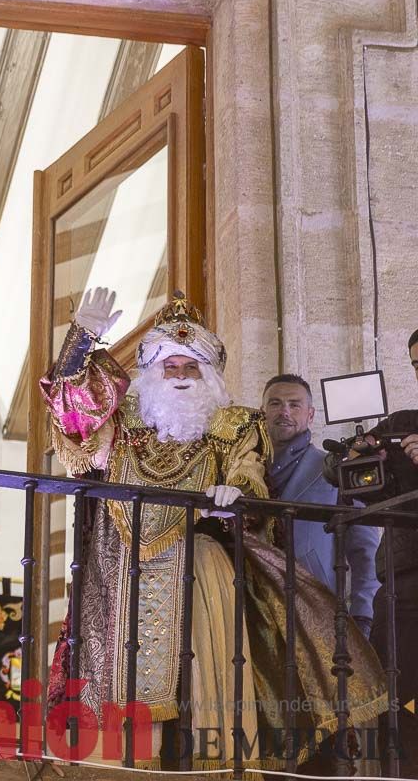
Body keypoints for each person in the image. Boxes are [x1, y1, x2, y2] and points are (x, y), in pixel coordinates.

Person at [41, 289, 386, 768]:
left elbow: (248, 472)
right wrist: (80, 344)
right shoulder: (121, 420)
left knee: (205, 680)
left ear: (209, 375)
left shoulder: (234, 422)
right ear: (152, 373)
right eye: (170, 367)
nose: (181, 377)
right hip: (119, 568)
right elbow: (72, 417)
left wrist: (236, 496)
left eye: (191, 368)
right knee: (116, 679)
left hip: (200, 564)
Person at [328, 329, 418, 773]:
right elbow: (339, 471)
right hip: (404, 585)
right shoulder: (404, 422)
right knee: (401, 706)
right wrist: (354, 452)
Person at [262, 374, 380, 638]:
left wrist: (364, 612)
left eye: (295, 405)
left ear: (311, 414)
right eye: (275, 403)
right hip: (252, 606)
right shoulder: (245, 469)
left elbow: (365, 549)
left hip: (317, 608)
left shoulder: (335, 470)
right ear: (262, 412)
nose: (285, 412)